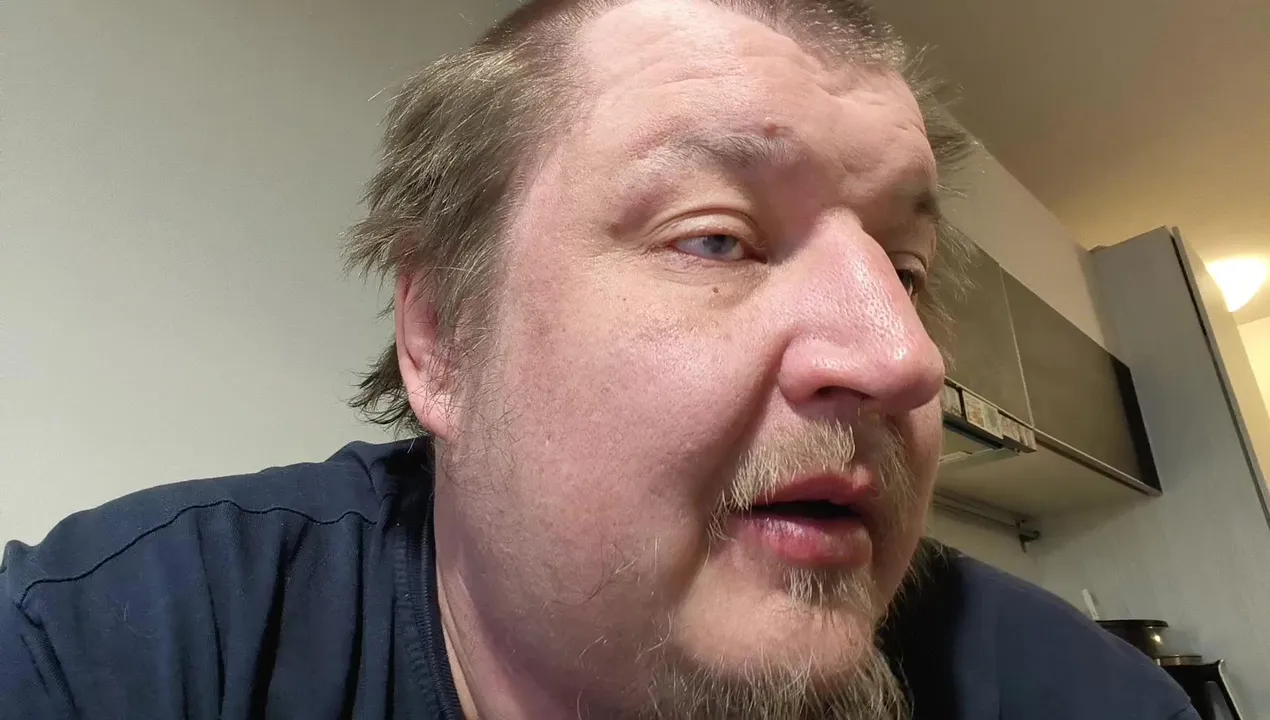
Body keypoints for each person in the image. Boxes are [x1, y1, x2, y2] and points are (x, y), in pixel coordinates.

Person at [1, 1, 1198, 718]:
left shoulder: (1078, 697)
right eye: (716, 238)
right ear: (440, 338)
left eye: (908, 268)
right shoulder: (130, 645)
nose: (905, 360)